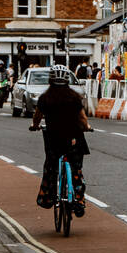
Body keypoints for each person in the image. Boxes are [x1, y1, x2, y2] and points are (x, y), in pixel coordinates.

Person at [31, 64, 93, 217]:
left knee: (51, 168)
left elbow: (37, 117)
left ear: (51, 80)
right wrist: (87, 127)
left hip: (54, 139)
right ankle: (78, 200)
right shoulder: (74, 97)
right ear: (67, 81)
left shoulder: (45, 98)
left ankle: (47, 197)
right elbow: (82, 118)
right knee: (76, 170)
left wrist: (35, 126)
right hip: (74, 139)